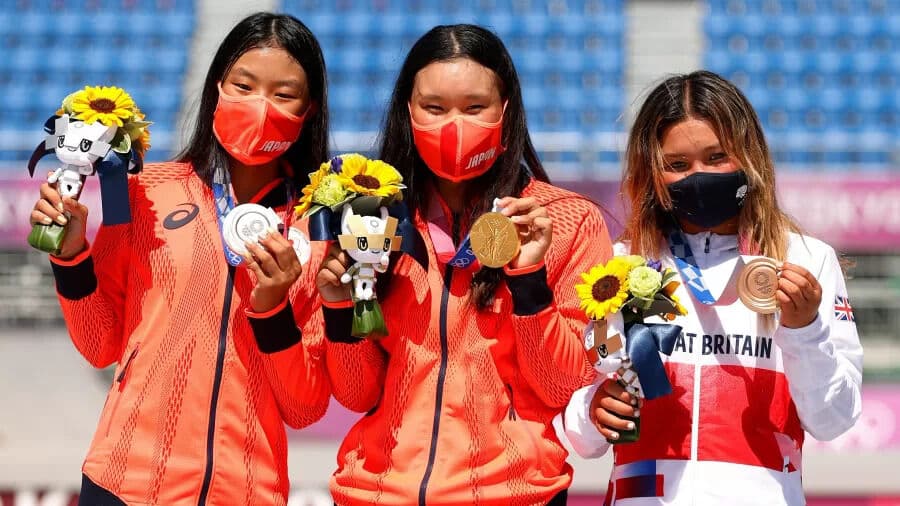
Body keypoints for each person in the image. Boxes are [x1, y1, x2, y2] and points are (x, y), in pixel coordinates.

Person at [28, 12, 331, 505]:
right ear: (217, 87)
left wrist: (273, 308)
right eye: (245, 85)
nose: (261, 106)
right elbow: (100, 343)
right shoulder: (144, 190)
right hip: (125, 482)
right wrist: (71, 256)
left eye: (283, 94)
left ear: (310, 107)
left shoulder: (320, 226)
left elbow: (304, 407)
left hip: (247, 491)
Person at [316, 24, 613, 506]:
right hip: (375, 492)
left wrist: (529, 282)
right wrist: (338, 309)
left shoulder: (564, 220)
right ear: (408, 112)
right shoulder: (374, 218)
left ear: (506, 112)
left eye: (475, 108)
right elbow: (356, 393)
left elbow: (564, 386)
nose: (454, 125)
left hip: (512, 494)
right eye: (434, 108)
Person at [556, 70, 863, 505]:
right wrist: (593, 410)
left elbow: (834, 419)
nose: (698, 176)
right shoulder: (616, 271)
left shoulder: (806, 260)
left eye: (717, 157)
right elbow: (580, 429)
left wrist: (804, 328)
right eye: (677, 165)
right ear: (652, 173)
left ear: (750, 155)